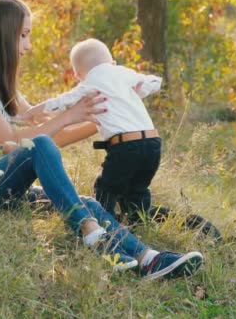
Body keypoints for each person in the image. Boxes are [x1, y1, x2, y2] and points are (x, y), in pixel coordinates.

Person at [0, 0, 203, 281]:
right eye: (24, 35)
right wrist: (69, 114)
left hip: (9, 187)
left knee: (86, 200)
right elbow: (10, 143)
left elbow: (50, 140)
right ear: (3, 35)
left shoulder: (5, 87)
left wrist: (103, 116)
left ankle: (149, 259)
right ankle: (90, 231)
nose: (28, 46)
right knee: (40, 146)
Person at [20, 38, 163, 223]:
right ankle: (139, 225)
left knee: (106, 189)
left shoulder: (90, 83)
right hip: (153, 144)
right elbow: (154, 81)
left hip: (126, 146)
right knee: (138, 189)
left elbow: (60, 102)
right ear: (112, 62)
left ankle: (108, 227)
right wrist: (141, 88)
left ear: (78, 75)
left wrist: (32, 111)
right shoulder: (123, 72)